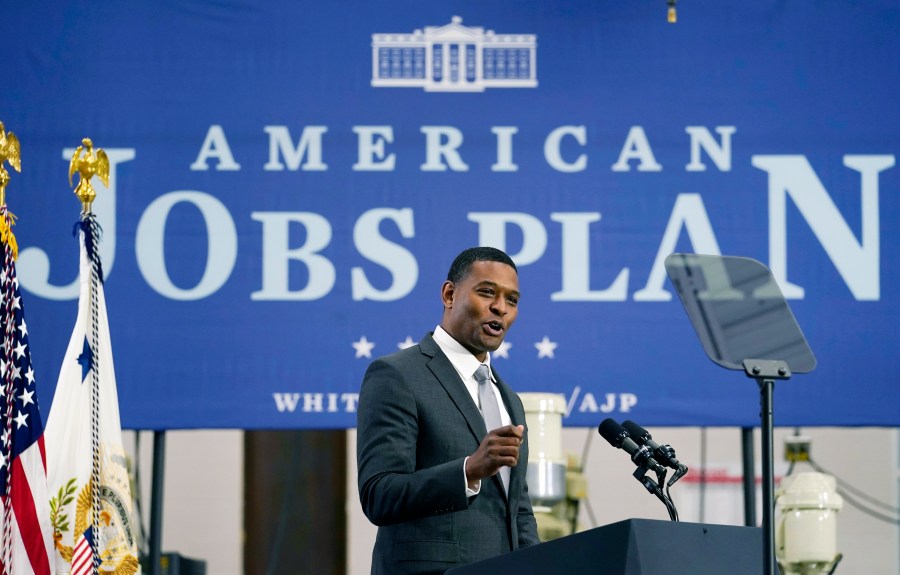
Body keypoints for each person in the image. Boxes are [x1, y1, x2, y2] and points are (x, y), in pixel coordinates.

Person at [357, 246, 540, 575]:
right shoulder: (398, 374)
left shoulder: (509, 399)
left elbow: (518, 508)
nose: (500, 308)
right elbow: (378, 494)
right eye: (487, 293)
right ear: (449, 294)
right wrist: (468, 471)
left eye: (512, 300)